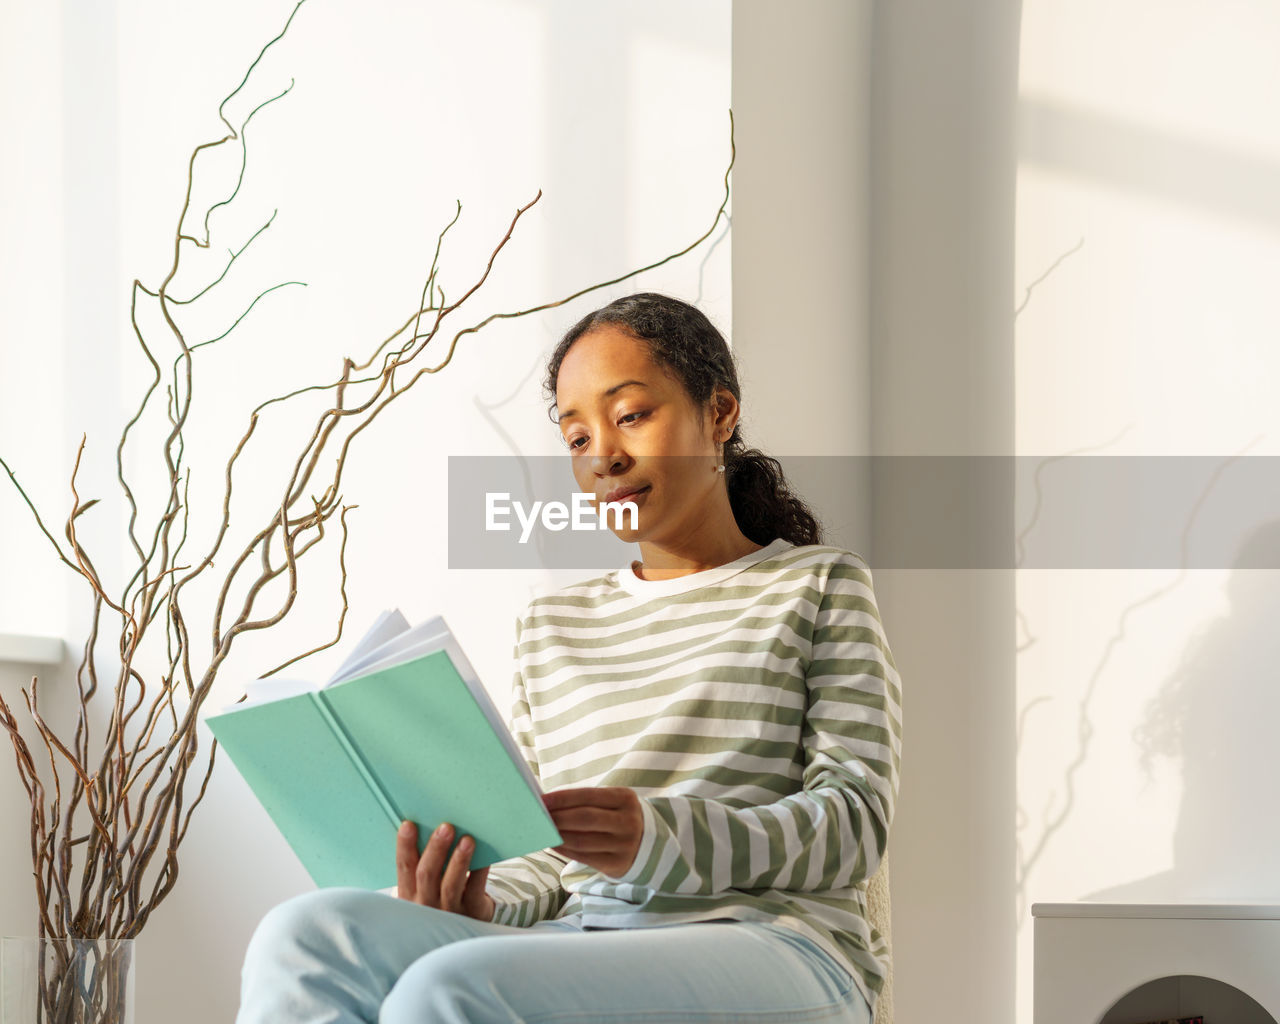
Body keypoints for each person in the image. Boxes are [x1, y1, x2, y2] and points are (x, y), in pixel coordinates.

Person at [235, 293, 902, 1024]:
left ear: (718, 414)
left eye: (631, 415)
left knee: (449, 988)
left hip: (776, 945)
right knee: (301, 936)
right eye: (577, 437)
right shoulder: (552, 626)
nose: (604, 456)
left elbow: (854, 822)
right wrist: (484, 900)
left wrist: (659, 837)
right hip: (590, 936)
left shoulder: (818, 584)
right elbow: (551, 862)